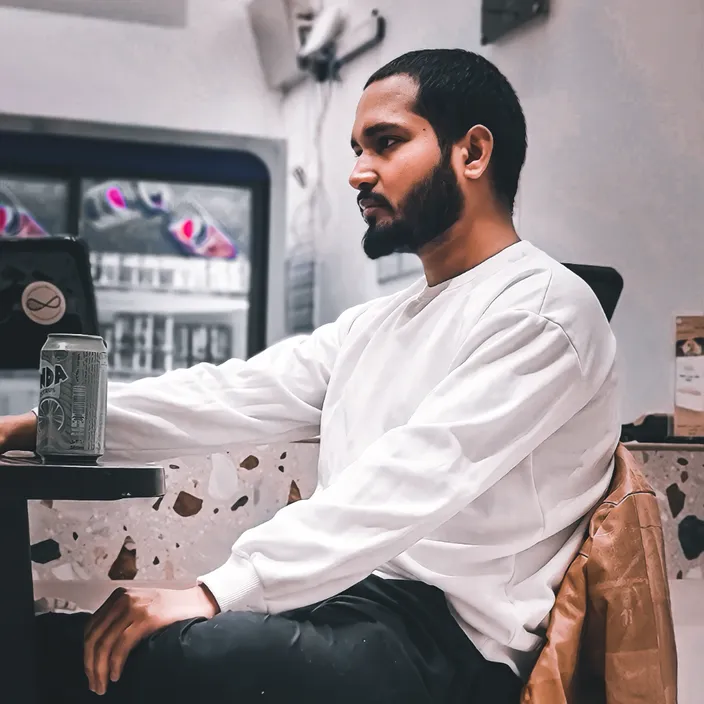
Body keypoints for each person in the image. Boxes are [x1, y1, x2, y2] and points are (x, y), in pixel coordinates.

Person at [0, 49, 620, 704]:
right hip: (351, 601)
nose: (357, 173)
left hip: (453, 642)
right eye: (357, 148)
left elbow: (412, 478)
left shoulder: (546, 310)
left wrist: (216, 589)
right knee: (47, 643)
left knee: (168, 653)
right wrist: (37, 426)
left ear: (471, 152)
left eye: (385, 143)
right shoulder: (379, 323)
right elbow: (230, 393)